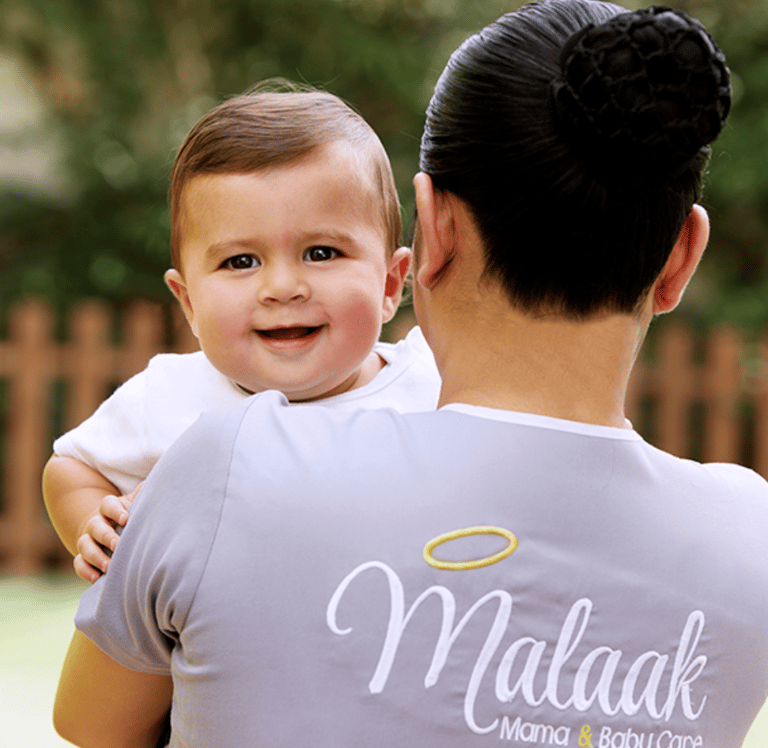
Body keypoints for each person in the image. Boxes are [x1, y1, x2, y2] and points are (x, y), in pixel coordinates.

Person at [55, 2, 768, 747]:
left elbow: (91, 725)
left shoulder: (225, 466)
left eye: (321, 254)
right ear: (681, 256)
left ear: (431, 232)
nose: (283, 286)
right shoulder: (749, 539)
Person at [42, 85, 440, 582]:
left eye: (321, 253)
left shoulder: (433, 389)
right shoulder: (168, 397)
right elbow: (71, 469)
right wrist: (94, 524)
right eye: (240, 261)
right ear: (189, 302)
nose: (282, 287)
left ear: (389, 284)